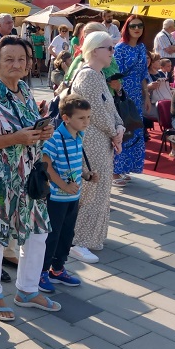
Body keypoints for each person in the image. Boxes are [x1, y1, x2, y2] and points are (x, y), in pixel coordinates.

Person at [0, 35, 60, 321]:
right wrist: (14, 138)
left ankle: (27, 289)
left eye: (22, 59)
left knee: (39, 233)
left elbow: (26, 133)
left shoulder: (24, 91)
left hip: (27, 178)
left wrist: (41, 133)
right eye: (9, 59)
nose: (17, 64)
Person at [69, 31, 124, 263]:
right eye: (109, 48)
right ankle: (79, 241)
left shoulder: (98, 75)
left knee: (100, 190)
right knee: (92, 190)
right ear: (94, 50)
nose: (113, 52)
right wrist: (115, 131)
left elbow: (109, 108)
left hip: (101, 140)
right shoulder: (89, 76)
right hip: (91, 141)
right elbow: (97, 113)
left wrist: (119, 127)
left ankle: (91, 237)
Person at [39, 95, 92, 293]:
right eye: (81, 118)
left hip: (72, 197)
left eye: (88, 117)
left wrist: (86, 175)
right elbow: (47, 166)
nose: (86, 122)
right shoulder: (54, 138)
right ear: (66, 118)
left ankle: (58, 269)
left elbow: (75, 162)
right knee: (52, 236)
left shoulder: (79, 135)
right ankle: (41, 272)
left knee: (67, 235)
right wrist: (62, 185)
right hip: (57, 197)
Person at [112, 16, 148, 187]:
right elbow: (114, 75)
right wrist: (119, 94)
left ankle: (126, 167)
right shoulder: (120, 48)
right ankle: (114, 171)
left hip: (136, 95)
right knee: (122, 130)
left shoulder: (142, 47)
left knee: (134, 130)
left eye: (140, 26)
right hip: (123, 93)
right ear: (127, 28)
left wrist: (146, 96)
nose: (137, 28)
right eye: (133, 26)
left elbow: (143, 75)